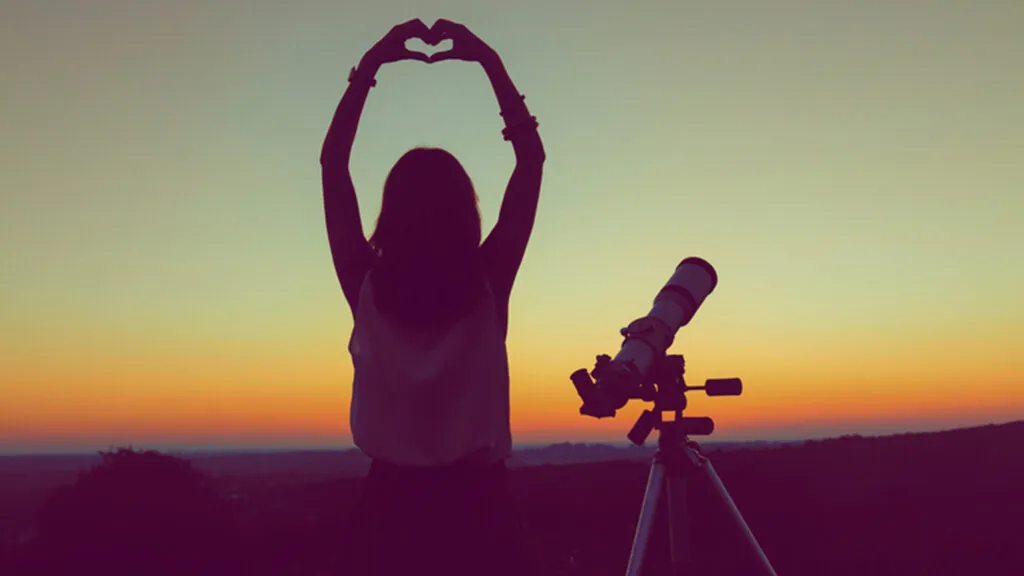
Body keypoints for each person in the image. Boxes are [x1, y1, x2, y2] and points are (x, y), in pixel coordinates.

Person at [320, 18, 545, 576]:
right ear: (465, 214)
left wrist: (367, 70)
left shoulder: (365, 287)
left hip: (388, 518)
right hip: (482, 514)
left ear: (389, 216)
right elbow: (531, 163)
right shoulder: (489, 282)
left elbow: (333, 168)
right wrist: (489, 62)